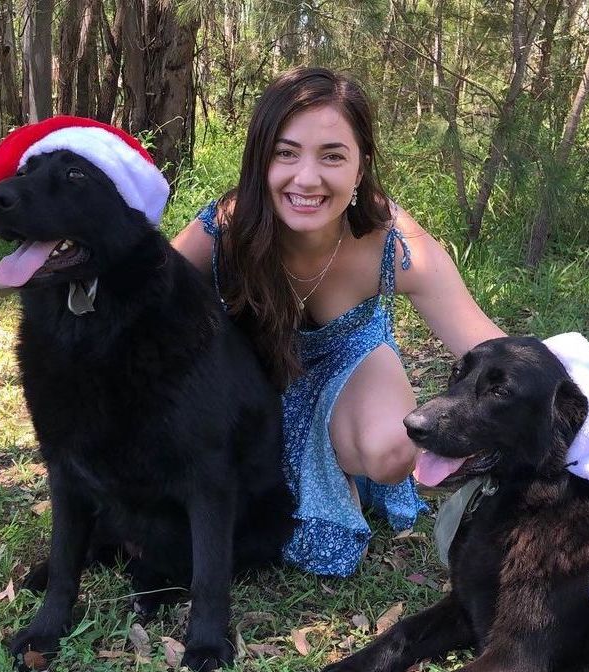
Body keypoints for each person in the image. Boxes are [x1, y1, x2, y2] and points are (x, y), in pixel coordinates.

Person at [172, 66, 505, 577]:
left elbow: (492, 350)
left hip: (351, 364)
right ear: (260, 159)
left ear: (361, 163)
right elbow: (146, 300)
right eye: (286, 153)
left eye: (332, 155)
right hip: (250, 382)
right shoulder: (224, 228)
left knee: (393, 448)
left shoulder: (394, 242)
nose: (307, 178)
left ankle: (347, 466)